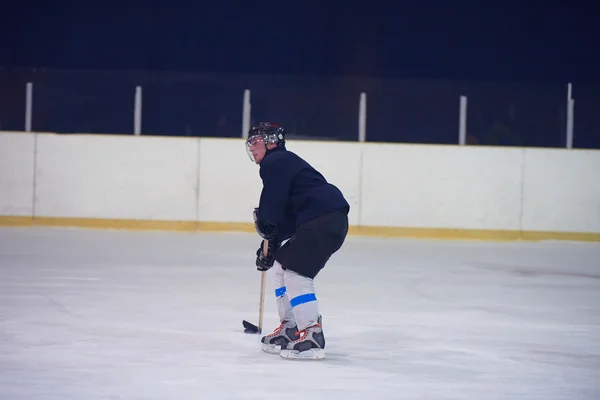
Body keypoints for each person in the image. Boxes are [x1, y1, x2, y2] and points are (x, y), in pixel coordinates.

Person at [245, 122, 350, 360]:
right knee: (282, 267)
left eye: (256, 140)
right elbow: (289, 216)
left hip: (323, 220)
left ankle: (312, 334)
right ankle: (290, 328)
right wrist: (271, 246)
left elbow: (273, 204)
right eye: (249, 142)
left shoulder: (275, 162)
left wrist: (267, 228)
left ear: (271, 141)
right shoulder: (285, 164)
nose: (251, 147)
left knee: (296, 274)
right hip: (323, 219)